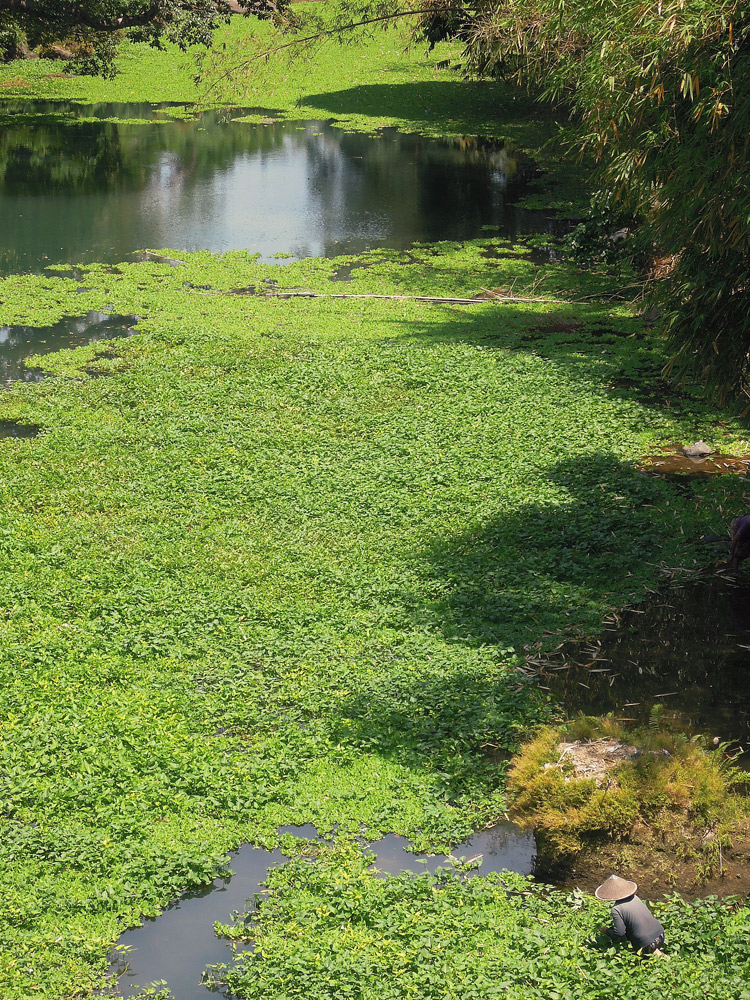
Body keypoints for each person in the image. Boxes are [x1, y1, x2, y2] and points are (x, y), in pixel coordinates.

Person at [595, 875, 666, 955]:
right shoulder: (635, 897)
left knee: (648, 958)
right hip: (661, 935)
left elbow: (619, 933)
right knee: (657, 955)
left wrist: (607, 931)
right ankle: (666, 959)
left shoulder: (616, 909)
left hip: (647, 944)